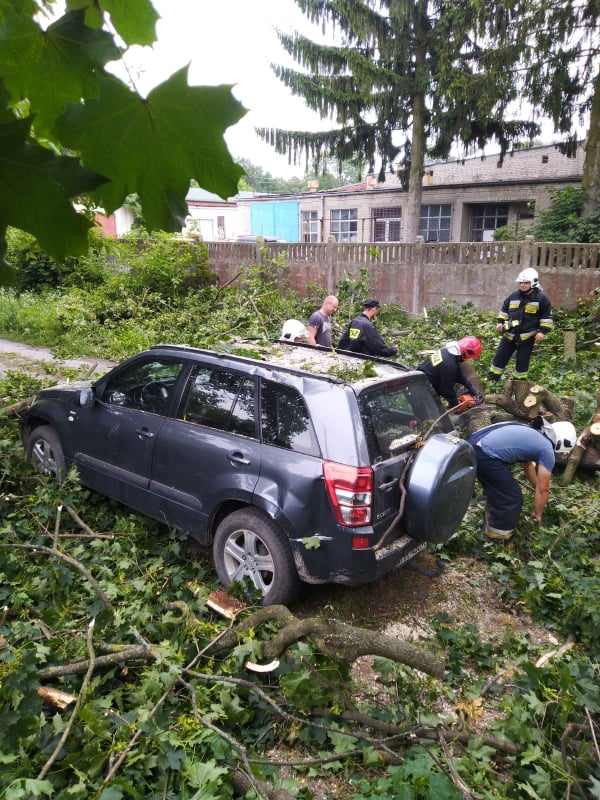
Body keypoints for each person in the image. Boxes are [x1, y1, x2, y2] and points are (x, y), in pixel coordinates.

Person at [467, 417, 577, 541]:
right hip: (485, 455)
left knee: (499, 490)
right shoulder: (546, 449)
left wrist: (536, 487)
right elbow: (543, 489)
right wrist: (538, 513)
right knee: (511, 498)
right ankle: (497, 540)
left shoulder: (533, 432)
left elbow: (528, 466)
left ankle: (491, 523)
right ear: (562, 443)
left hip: (474, 445)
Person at [486, 268, 553, 382]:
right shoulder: (514, 295)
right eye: (521, 282)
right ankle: (490, 381)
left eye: (526, 283)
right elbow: (504, 309)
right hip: (509, 335)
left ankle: (519, 386)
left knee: (522, 364)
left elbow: (547, 317)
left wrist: (542, 332)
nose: (522, 285)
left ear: (533, 282)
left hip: (526, 337)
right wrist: (500, 322)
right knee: (498, 359)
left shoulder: (541, 298)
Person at [418, 336, 484, 410]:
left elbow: (456, 373)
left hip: (422, 380)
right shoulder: (449, 364)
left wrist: (468, 386)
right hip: (422, 390)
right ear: (467, 353)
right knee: (429, 414)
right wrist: (455, 405)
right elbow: (446, 389)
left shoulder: (447, 353)